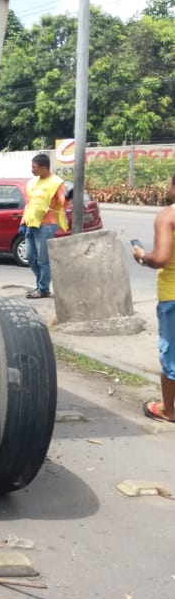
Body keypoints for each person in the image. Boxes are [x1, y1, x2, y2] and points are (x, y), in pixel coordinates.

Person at [132, 171, 175, 423]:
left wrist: (141, 255)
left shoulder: (168, 216)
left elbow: (160, 259)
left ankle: (169, 410)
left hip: (172, 296)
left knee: (171, 356)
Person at [21, 152, 67, 299]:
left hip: (47, 225)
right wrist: (22, 222)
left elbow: (63, 201)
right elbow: (28, 203)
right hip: (31, 223)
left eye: (34, 167)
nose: (32, 170)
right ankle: (41, 285)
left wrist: (68, 198)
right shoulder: (32, 183)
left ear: (43, 167)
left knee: (43, 260)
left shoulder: (56, 182)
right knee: (30, 256)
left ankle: (43, 288)